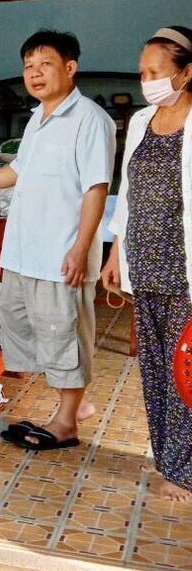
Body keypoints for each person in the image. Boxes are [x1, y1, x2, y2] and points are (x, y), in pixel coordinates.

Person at [0, 29, 116, 451]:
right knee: (26, 326)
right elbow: (18, 171)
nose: (34, 74)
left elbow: (96, 188)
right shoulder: (39, 117)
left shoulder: (90, 119)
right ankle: (75, 403)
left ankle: (67, 420)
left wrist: (80, 247)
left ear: (70, 68)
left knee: (63, 332)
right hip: (24, 250)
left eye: (45, 64)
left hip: (60, 251)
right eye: (28, 66)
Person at [102, 26, 192, 501]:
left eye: (156, 72)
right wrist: (115, 253)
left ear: (187, 72)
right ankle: (170, 460)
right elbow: (127, 197)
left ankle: (185, 470)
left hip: (184, 266)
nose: (148, 81)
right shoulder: (139, 122)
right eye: (143, 73)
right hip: (144, 259)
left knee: (187, 368)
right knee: (156, 368)